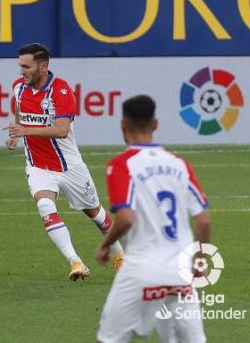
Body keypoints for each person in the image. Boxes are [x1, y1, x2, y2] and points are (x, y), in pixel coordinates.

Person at [95, 94, 210, 342]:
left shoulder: (122, 165)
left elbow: (125, 218)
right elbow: (203, 221)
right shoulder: (180, 164)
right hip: (180, 272)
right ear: (156, 124)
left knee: (110, 338)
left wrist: (105, 246)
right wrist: (199, 262)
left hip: (141, 270)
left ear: (123, 125)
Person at [4, 43, 123, 281]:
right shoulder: (19, 87)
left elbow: (61, 130)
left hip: (69, 166)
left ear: (43, 65)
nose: (21, 71)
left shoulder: (61, 91)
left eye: (26, 66)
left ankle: (120, 256)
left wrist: (25, 129)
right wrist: (16, 133)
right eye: (20, 66)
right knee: (45, 207)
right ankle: (76, 262)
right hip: (38, 166)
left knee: (95, 213)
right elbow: (18, 108)